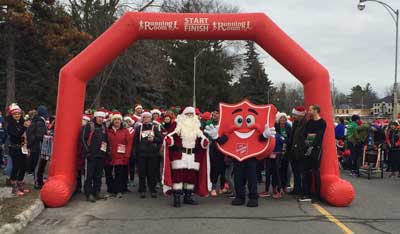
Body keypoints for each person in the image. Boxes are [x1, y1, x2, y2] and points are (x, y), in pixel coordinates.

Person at [163, 107, 210, 207]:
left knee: (191, 177)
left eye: (191, 114)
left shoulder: (196, 126)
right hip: (179, 155)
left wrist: (204, 143)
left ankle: (188, 197)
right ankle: (177, 198)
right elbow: (170, 138)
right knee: (178, 177)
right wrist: (169, 142)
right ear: (183, 115)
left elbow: (200, 140)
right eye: (187, 114)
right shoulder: (177, 124)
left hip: (193, 156)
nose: (189, 116)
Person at [298, 104, 326, 203]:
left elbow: (319, 135)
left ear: (316, 111)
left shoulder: (322, 122)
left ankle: (317, 196)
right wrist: (307, 142)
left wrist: (312, 144)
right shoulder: (309, 122)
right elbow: (304, 133)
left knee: (316, 171)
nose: (309, 111)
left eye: (310, 110)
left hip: (316, 149)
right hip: (307, 147)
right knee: (307, 171)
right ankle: (308, 193)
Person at [81, 109, 109, 202]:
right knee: (89, 175)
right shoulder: (89, 126)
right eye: (99, 117)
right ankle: (88, 194)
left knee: (98, 175)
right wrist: (87, 151)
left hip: (101, 154)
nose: (101, 119)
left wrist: (107, 151)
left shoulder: (104, 127)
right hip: (91, 155)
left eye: (102, 117)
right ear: (95, 117)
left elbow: (106, 140)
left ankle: (96, 192)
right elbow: (83, 139)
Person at [133, 112, 162, 198]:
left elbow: (160, 140)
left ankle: (152, 189)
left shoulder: (155, 127)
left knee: (151, 172)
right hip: (141, 154)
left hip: (152, 154)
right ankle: (142, 189)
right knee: (142, 172)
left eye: (148, 117)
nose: (146, 119)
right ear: (142, 119)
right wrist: (136, 152)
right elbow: (135, 141)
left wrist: (154, 139)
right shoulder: (138, 128)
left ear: (150, 118)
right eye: (144, 117)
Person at [6, 103, 29, 196]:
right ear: (12, 115)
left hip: (22, 147)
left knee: (24, 166)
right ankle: (14, 186)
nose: (17, 115)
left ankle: (20, 183)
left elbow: (23, 136)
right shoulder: (10, 124)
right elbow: (15, 136)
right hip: (14, 147)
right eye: (15, 114)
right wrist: (24, 127)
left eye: (18, 114)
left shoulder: (21, 122)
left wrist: (25, 146)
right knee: (16, 166)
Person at [106, 112, 131, 198]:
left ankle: (119, 190)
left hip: (120, 156)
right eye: (115, 119)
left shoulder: (125, 131)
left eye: (118, 119)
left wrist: (127, 155)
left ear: (121, 121)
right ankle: (110, 190)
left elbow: (129, 144)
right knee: (108, 174)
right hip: (109, 156)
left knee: (119, 174)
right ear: (112, 121)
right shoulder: (107, 131)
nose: (117, 121)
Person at [287, 106, 307, 196]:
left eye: (295, 115)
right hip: (294, 151)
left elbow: (304, 138)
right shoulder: (295, 123)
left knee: (301, 171)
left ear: (300, 115)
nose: (294, 116)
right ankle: (296, 188)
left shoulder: (305, 124)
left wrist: (302, 148)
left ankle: (302, 190)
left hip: (300, 151)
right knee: (295, 171)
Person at [26, 105, 48, 176]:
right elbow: (39, 135)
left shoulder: (35, 120)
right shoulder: (40, 122)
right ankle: (34, 174)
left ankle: (30, 171)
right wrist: (45, 136)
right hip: (37, 144)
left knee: (32, 158)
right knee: (37, 160)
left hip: (33, 143)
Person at [35, 115, 55, 189]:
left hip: (46, 148)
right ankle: (38, 182)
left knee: (43, 164)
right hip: (44, 148)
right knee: (41, 164)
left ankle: (40, 181)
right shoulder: (40, 123)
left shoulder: (44, 124)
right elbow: (39, 135)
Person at [124, 116, 136, 188]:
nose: (127, 123)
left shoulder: (134, 130)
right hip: (123, 150)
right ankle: (125, 179)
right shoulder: (122, 130)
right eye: (126, 121)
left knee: (132, 166)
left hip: (132, 150)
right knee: (125, 166)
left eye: (129, 121)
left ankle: (132, 179)